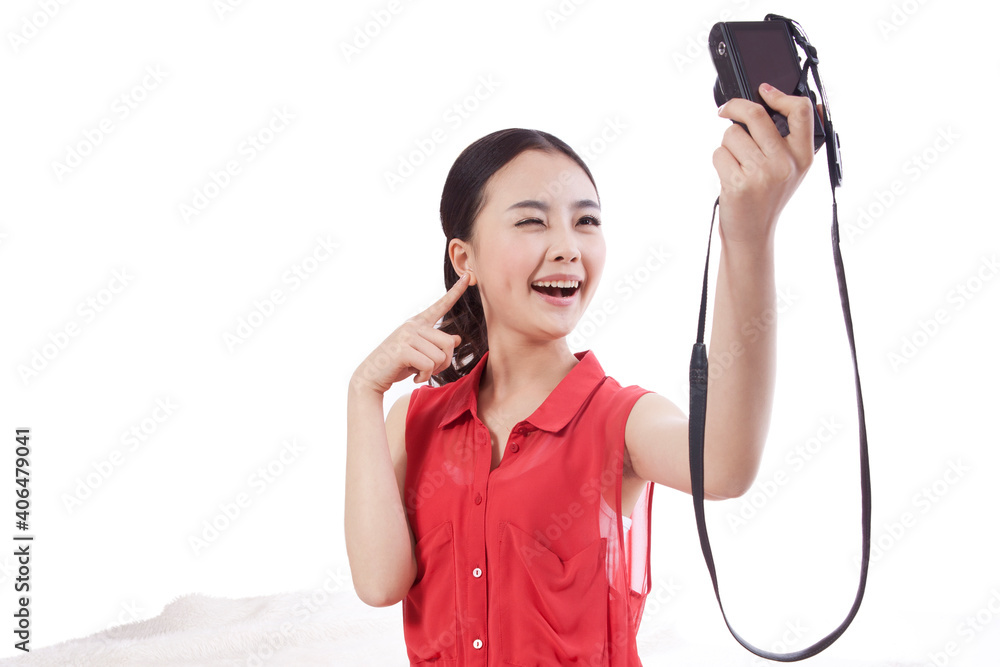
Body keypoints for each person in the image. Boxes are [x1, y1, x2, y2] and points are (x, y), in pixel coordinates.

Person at [346, 83, 816, 666]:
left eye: (586, 221)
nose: (569, 248)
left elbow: (723, 466)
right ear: (465, 259)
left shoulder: (621, 420)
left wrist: (748, 234)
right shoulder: (413, 420)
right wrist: (362, 393)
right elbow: (379, 584)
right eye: (532, 223)